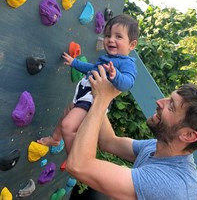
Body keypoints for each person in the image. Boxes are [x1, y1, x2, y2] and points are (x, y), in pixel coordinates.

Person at [66, 66, 197, 200]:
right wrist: (100, 96)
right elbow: (109, 141)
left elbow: (79, 166)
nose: (160, 102)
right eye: (169, 98)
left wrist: (101, 101)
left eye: (171, 106)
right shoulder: (158, 148)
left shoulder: (170, 185)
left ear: (188, 135)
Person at [37, 14, 139, 154]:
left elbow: (128, 83)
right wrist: (74, 63)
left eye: (118, 37)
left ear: (132, 45)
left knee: (68, 126)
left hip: (93, 99)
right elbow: (92, 68)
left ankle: (75, 159)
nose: (111, 40)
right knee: (65, 115)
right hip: (83, 94)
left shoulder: (127, 63)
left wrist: (116, 75)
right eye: (108, 35)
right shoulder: (107, 58)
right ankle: (55, 138)